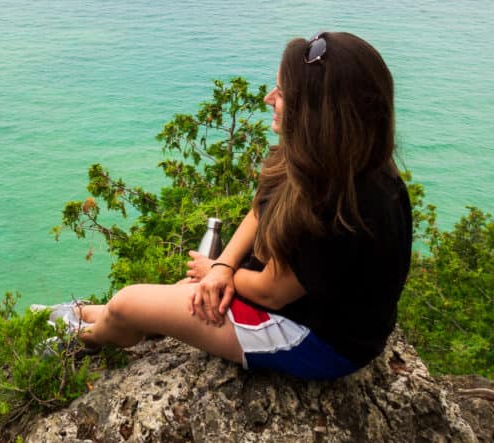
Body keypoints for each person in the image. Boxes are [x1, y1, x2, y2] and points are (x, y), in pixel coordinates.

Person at [48, 32, 413, 380]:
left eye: (282, 93)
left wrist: (215, 272)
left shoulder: (349, 208)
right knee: (165, 297)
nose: (269, 98)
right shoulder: (326, 161)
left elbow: (272, 291)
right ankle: (83, 314)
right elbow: (260, 209)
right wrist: (222, 267)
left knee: (129, 303)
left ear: (317, 114)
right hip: (296, 309)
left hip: (316, 340)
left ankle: (83, 339)